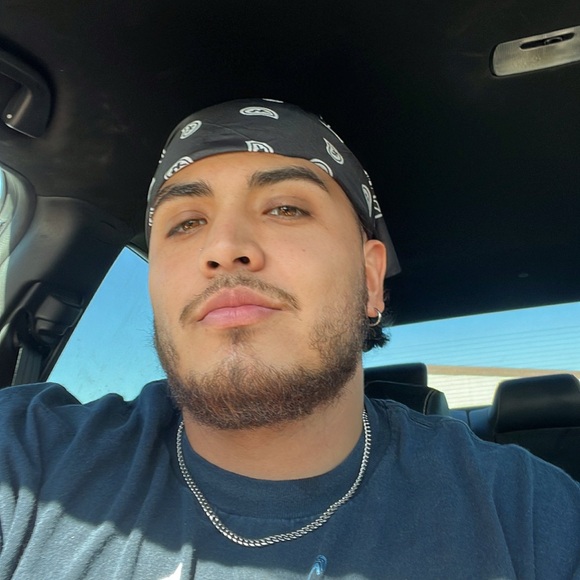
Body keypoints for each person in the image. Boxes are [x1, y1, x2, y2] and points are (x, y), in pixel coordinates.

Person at [0, 98, 579, 579]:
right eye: (186, 222)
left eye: (284, 208)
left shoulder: (528, 516)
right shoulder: (27, 456)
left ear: (370, 279)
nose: (223, 247)